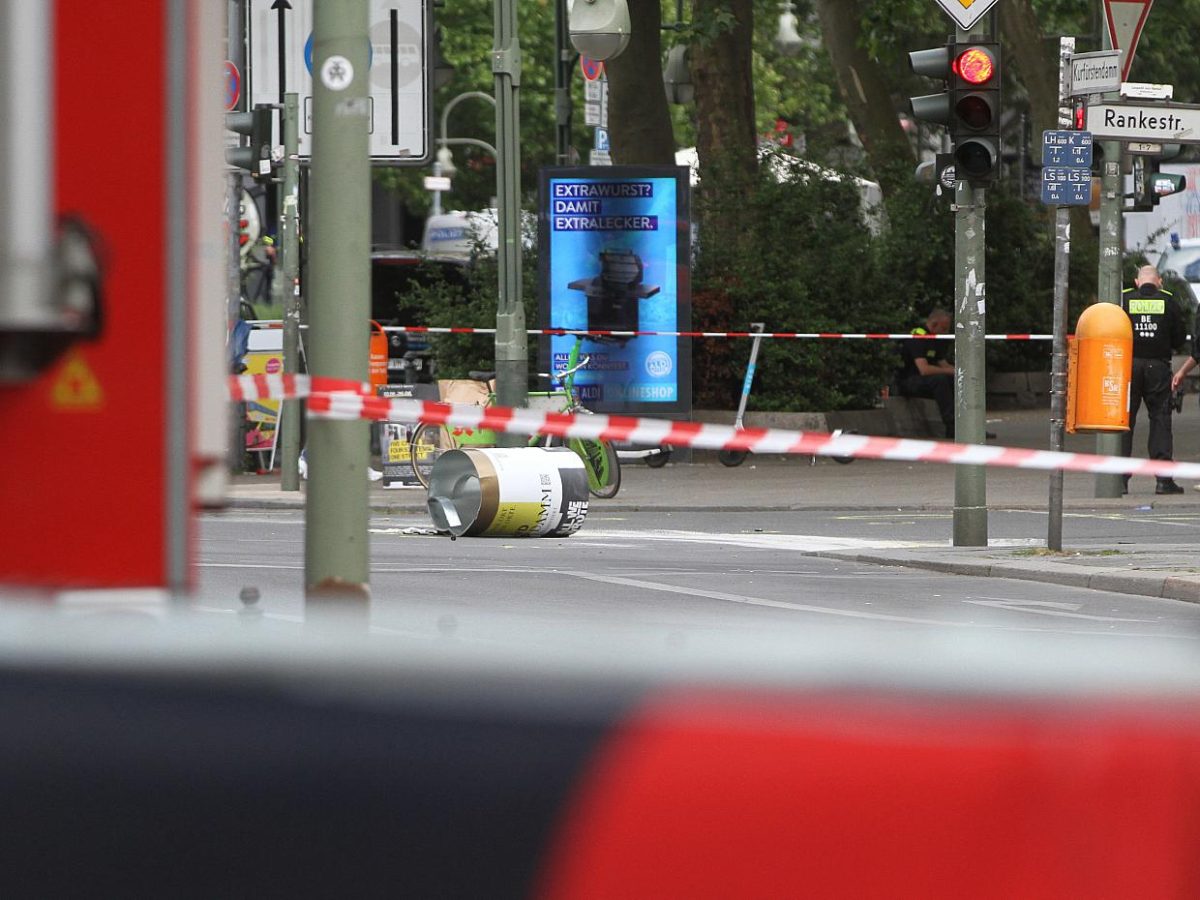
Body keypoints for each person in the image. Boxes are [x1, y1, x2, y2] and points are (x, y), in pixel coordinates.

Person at [1121, 265, 1187, 494]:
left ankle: (1119, 481)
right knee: (1160, 420)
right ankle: (1163, 480)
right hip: (1158, 368)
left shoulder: (1124, 300)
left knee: (1123, 423)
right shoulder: (1169, 301)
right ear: (1159, 281)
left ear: (1137, 282)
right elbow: (1179, 339)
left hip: (1128, 367)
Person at [896, 309, 955, 439]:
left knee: (958, 381)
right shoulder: (918, 337)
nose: (946, 333)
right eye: (944, 329)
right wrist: (949, 371)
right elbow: (924, 369)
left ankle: (970, 425)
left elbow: (943, 363)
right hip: (909, 381)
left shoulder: (935, 339)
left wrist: (961, 373)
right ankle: (951, 426)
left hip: (926, 381)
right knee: (940, 380)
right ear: (934, 325)